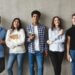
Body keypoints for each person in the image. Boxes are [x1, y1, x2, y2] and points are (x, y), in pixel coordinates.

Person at [26, 10, 48, 75]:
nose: (35, 18)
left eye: (37, 16)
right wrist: (30, 39)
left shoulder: (43, 27)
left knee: (40, 67)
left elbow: (45, 39)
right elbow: (25, 40)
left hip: (40, 51)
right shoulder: (28, 27)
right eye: (34, 16)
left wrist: (46, 50)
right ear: (32, 17)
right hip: (31, 50)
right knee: (31, 66)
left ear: (39, 18)